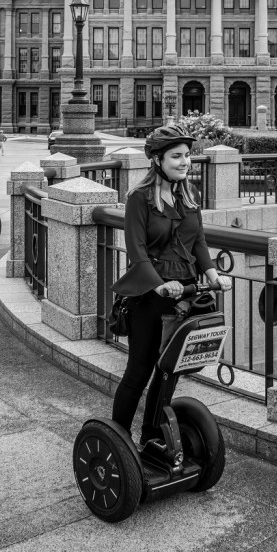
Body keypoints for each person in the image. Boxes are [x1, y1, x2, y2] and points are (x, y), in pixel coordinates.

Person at [111, 125, 232, 445]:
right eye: (176, 156)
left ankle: (151, 435)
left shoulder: (189, 194)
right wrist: (160, 286)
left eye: (187, 155)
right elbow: (137, 251)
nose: (185, 162)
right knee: (140, 371)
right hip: (151, 296)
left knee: (169, 371)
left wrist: (213, 274)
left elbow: (199, 242)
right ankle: (119, 439)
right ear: (157, 160)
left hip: (186, 293)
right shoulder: (138, 198)